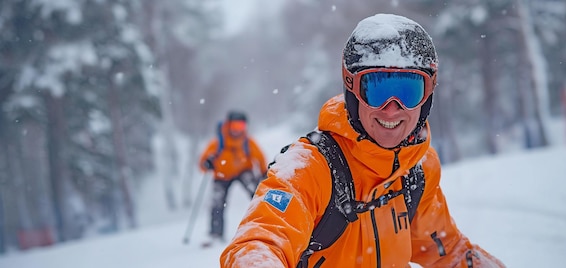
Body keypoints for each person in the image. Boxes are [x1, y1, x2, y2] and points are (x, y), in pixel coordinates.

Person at [220, 14, 505, 267]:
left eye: (408, 90)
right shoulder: (309, 167)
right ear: (351, 89)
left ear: (427, 96)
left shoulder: (417, 168)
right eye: (377, 88)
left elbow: (446, 251)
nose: (392, 108)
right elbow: (259, 241)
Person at [198, 110, 267, 244]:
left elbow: (260, 157)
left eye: (241, 126)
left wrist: (264, 172)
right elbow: (202, 163)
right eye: (234, 126)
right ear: (228, 125)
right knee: (217, 203)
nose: (237, 130)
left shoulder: (247, 142)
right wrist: (207, 163)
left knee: (257, 194)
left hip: (243, 171)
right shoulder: (218, 143)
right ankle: (216, 234)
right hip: (221, 175)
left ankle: (264, 223)